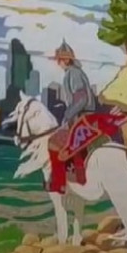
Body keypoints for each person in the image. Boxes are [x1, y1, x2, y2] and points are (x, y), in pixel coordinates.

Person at [46, 41, 121, 193]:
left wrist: (67, 115)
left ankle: (59, 184)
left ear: (66, 60)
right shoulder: (74, 72)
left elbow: (81, 99)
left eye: (59, 60)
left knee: (54, 143)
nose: (58, 63)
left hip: (83, 118)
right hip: (82, 116)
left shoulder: (73, 73)